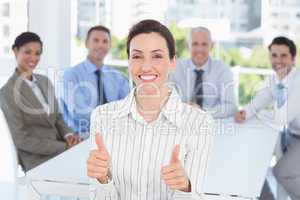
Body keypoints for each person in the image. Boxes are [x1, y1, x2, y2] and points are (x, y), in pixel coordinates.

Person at [87, 19, 214, 200]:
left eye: (157, 56)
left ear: (172, 62)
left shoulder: (199, 123)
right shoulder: (102, 117)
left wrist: (185, 189)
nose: (146, 66)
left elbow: (197, 196)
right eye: (137, 56)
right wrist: (102, 179)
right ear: (129, 61)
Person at [0, 32, 80, 172]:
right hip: (37, 160)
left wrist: (69, 136)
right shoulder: (7, 92)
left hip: (62, 150)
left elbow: (58, 117)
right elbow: (21, 139)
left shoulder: (45, 81)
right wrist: (63, 147)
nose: (33, 58)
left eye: (38, 53)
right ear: (15, 51)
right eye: (28, 52)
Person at [235, 36, 300, 200]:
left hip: (296, 137)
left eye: (284, 56)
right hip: (292, 136)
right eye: (274, 55)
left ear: (293, 59)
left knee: (281, 172)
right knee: (252, 160)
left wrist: (261, 114)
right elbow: (260, 100)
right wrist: (246, 112)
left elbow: (282, 117)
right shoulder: (274, 80)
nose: (278, 60)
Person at [59, 25, 130, 138]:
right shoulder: (71, 76)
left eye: (105, 41)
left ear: (110, 46)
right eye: (96, 40)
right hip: (82, 137)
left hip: (115, 136)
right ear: (87, 43)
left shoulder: (118, 77)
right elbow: (78, 112)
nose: (100, 45)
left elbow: (128, 107)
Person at [169, 26, 237, 119]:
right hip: (182, 121)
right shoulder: (176, 68)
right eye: (195, 44)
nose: (199, 49)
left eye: (204, 44)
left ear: (211, 46)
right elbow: (166, 100)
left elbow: (231, 106)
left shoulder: (222, 69)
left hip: (213, 124)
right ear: (187, 46)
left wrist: (203, 112)